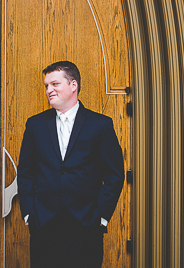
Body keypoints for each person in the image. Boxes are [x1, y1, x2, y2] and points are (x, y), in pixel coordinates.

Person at [18, 61, 125, 268]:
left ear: (73, 85)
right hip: (44, 226)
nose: (49, 90)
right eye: (46, 86)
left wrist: (101, 217)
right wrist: (30, 213)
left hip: (87, 226)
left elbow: (114, 175)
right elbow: (26, 173)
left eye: (55, 84)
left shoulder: (101, 124)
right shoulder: (35, 124)